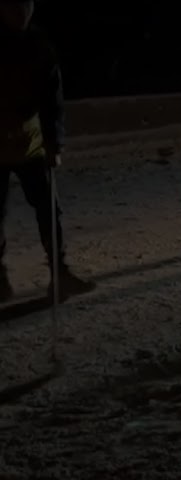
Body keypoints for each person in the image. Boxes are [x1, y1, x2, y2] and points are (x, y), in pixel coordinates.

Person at [0, 0, 95, 303]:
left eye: (26, 4)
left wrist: (55, 144)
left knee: (49, 211)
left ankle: (60, 274)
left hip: (31, 145)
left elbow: (52, 100)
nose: (21, 11)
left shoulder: (40, 46)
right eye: (13, 5)